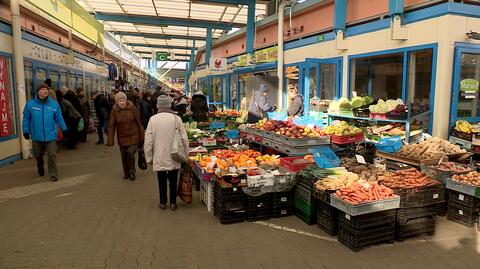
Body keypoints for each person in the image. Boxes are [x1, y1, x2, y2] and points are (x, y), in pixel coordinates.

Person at [144, 95, 189, 210]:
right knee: (173, 180)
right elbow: (184, 138)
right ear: (169, 105)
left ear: (158, 106)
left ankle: (163, 202)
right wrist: (186, 154)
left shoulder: (153, 120)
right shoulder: (176, 119)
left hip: (159, 155)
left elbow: (148, 141)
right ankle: (173, 203)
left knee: (161, 179)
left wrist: (149, 157)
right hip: (174, 154)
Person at [22, 83, 68, 181]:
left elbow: (59, 118)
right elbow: (26, 119)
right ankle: (40, 164)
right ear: (38, 92)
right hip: (36, 136)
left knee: (52, 154)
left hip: (50, 135)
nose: (45, 91)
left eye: (46, 89)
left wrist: (65, 129)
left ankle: (53, 174)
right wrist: (25, 131)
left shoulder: (54, 104)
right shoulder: (30, 104)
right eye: (43, 89)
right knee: (38, 155)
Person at [106, 92, 144, 181]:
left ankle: (132, 172)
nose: (122, 102)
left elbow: (139, 123)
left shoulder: (132, 108)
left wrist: (141, 137)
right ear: (117, 102)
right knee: (123, 156)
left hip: (134, 136)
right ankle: (126, 173)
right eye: (120, 101)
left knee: (130, 153)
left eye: (123, 100)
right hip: (122, 137)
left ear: (126, 100)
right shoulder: (114, 111)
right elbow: (111, 126)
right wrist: (110, 140)